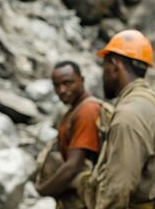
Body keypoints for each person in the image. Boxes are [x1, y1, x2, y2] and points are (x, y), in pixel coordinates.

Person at [93, 29, 155, 208]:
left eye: (104, 66)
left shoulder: (128, 115)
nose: (103, 74)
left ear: (115, 64)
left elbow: (118, 190)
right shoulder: (153, 101)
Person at [35, 60, 101, 209]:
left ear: (82, 80)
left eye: (67, 83)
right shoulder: (74, 109)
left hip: (83, 201)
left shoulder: (86, 111)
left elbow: (73, 166)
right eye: (56, 85)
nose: (61, 90)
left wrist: (42, 189)